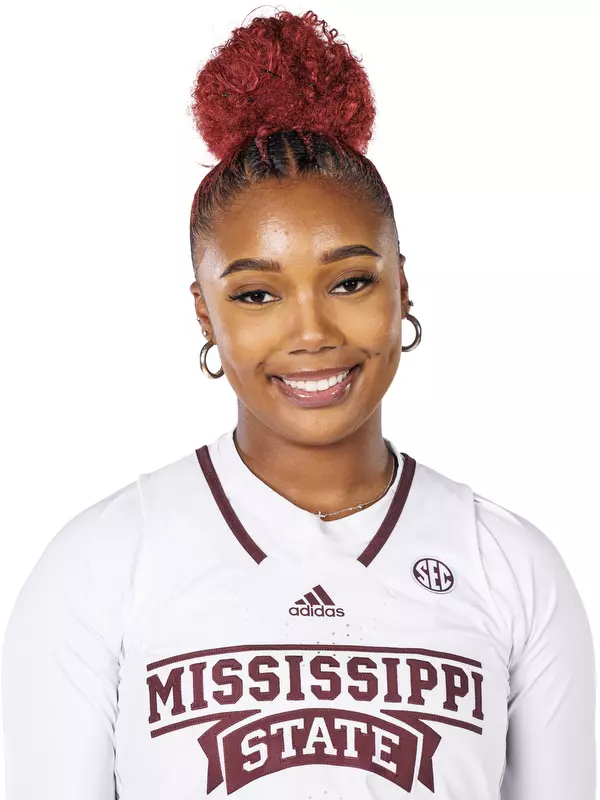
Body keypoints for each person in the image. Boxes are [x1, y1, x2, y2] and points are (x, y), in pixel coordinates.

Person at [1, 8, 595, 800]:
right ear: (205, 314)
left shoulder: (515, 568)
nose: (311, 332)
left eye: (350, 281)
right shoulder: (103, 563)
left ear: (402, 287)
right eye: (256, 293)